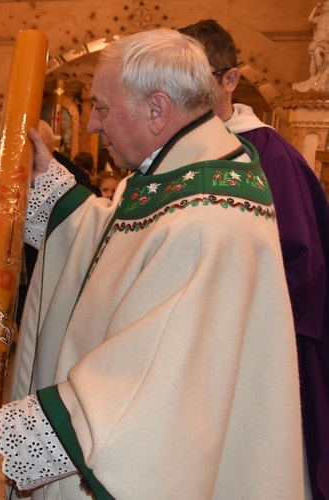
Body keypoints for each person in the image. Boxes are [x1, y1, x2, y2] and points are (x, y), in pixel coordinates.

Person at [0, 28, 305, 499]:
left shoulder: (210, 218)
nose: (92, 126)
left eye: (101, 107)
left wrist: (25, 428)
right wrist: (55, 190)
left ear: (157, 110)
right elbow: (121, 249)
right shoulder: (186, 172)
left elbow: (149, 376)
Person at [179, 19, 329, 500]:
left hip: (253, 349)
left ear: (231, 80)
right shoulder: (179, 153)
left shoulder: (268, 155)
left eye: (201, 78)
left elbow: (302, 268)